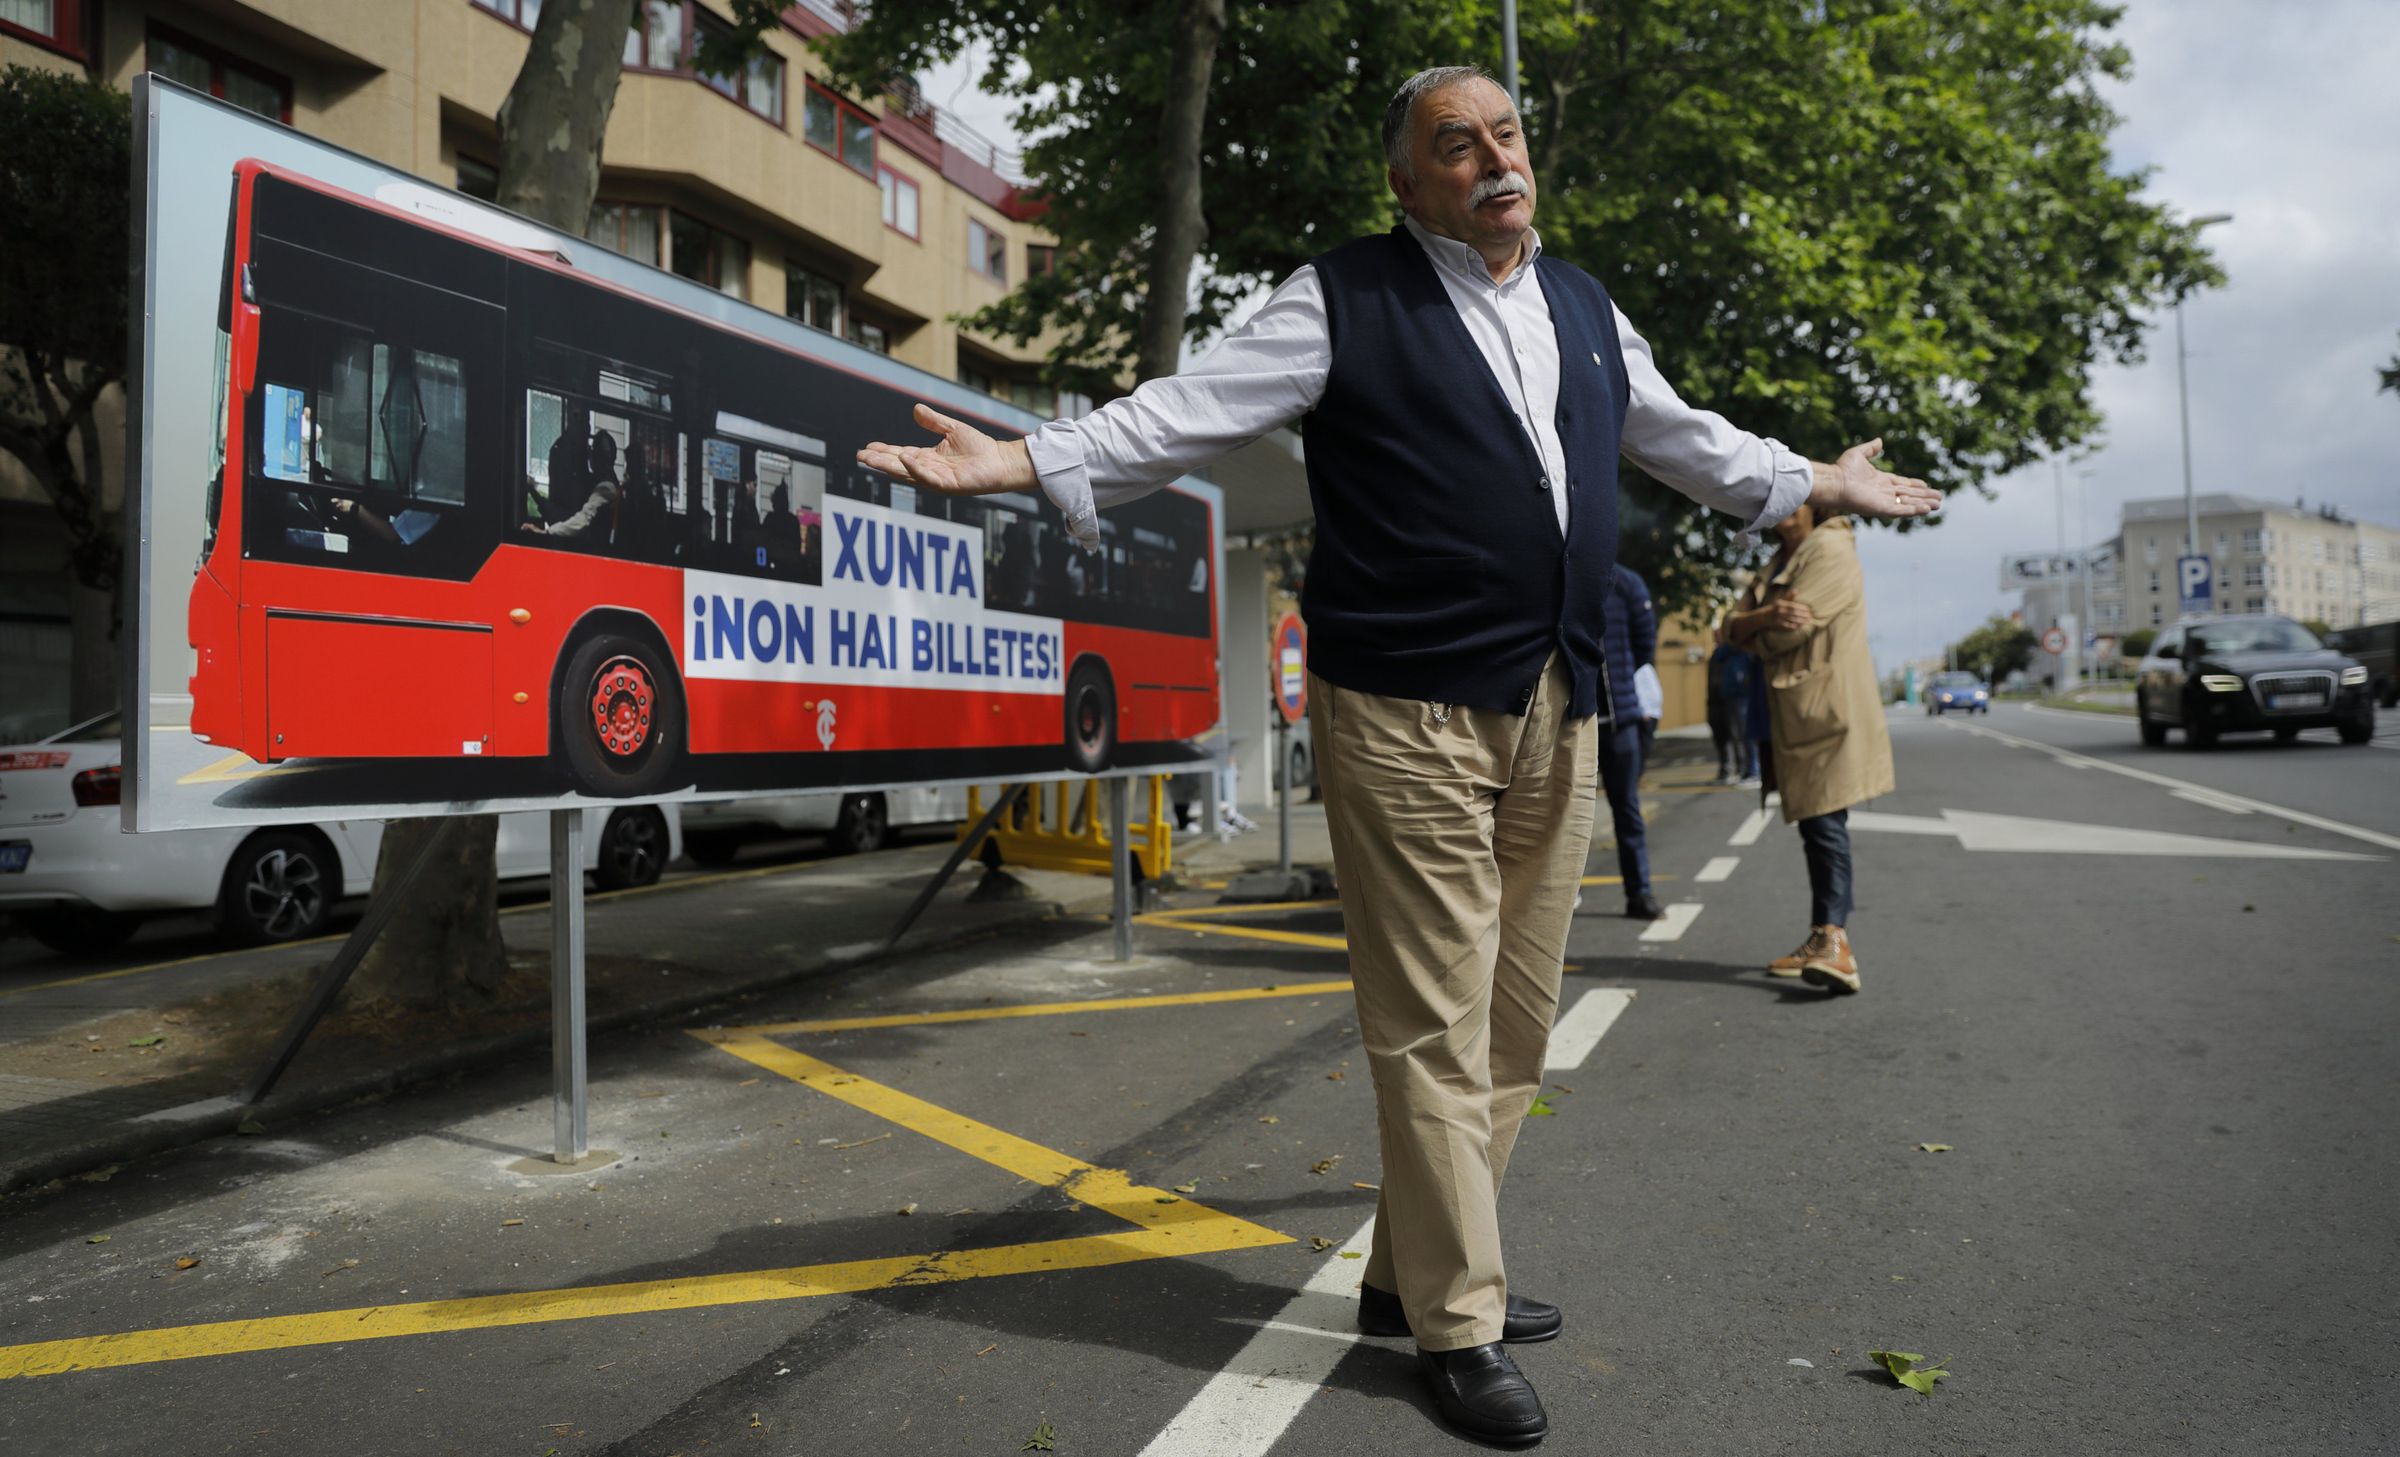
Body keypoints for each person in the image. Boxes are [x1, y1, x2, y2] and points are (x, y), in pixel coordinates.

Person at [854, 65, 1936, 1446]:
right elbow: (1179, 412)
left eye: (1505, 135)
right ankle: (1458, 1320)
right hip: (1405, 709)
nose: (1493, 159)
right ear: (1406, 180)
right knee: (1433, 1021)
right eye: (1455, 144)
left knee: (1514, 1019)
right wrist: (1014, 465)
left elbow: (1689, 441)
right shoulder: (1342, 295)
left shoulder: (1585, 306)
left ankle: (1404, 1275)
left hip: (1556, 700)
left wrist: (1823, 481)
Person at [1724, 504, 1895, 995]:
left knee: (1825, 821)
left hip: (1827, 707)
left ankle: (1835, 942)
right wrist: (1759, 617)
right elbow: (1727, 629)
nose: (1772, 507)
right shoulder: (1779, 559)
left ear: (1813, 502)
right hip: (1791, 707)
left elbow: (1787, 633)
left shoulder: (1832, 549)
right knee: (1816, 824)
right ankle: (1823, 933)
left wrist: (1752, 626)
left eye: (1785, 495)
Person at [1600, 564, 1664, 920]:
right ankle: (1564, 894)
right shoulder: (1558, 571)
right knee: (1561, 814)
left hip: (1620, 719)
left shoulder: (1626, 583)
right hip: (1570, 720)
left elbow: (1645, 645)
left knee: (1627, 808)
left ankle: (1639, 893)